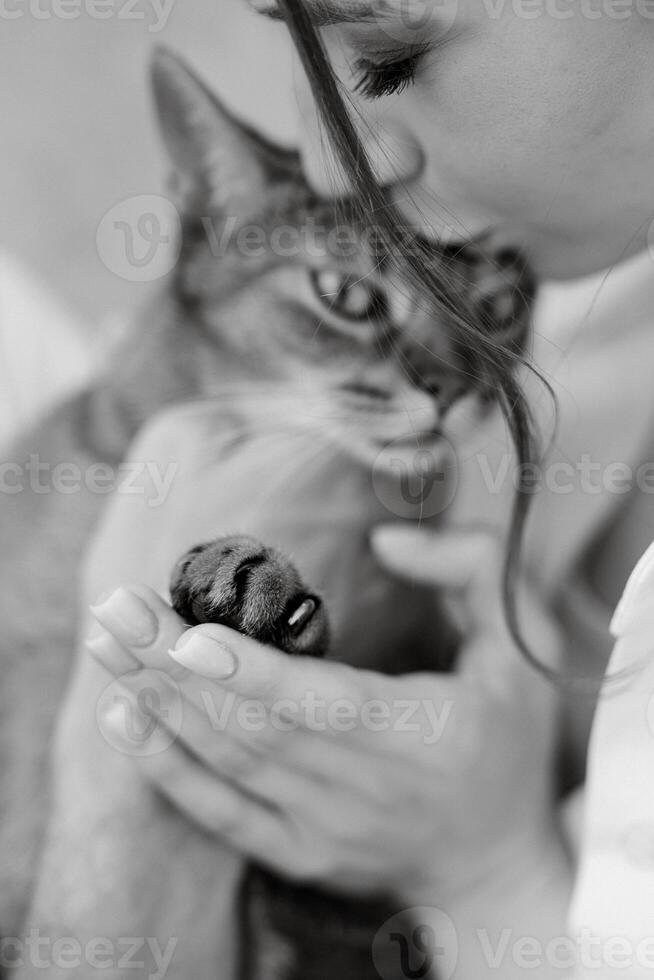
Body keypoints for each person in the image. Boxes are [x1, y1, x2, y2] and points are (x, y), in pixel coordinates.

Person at [25, 4, 654, 978]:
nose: (332, 163)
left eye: (391, 56)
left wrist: (485, 864)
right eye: (357, 301)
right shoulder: (582, 250)